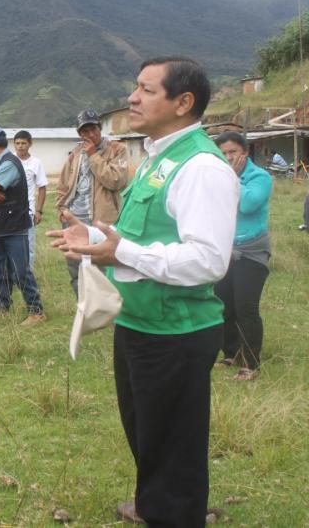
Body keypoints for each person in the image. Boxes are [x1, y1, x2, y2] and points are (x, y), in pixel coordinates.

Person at [48, 57, 239, 526]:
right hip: (137, 321)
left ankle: (176, 513)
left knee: (173, 438)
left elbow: (208, 260)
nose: (132, 98)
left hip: (175, 330)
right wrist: (93, 242)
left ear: (183, 102)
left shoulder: (200, 167)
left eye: (146, 90)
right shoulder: (157, 158)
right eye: (135, 87)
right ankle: (157, 504)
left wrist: (120, 255)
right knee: (148, 433)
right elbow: (137, 238)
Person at [214, 132, 272, 381]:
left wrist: (234, 178)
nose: (228, 157)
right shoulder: (219, 177)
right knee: (224, 304)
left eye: (233, 152)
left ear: (245, 153)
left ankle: (250, 364)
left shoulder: (260, 177)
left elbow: (248, 204)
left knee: (246, 307)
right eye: (224, 153)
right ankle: (232, 353)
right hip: (225, 249)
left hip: (252, 251)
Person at [0, 126, 45, 326]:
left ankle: (36, 310)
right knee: (0, 269)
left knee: (20, 270)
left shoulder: (8, 164)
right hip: (0, 226)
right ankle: (2, 307)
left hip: (15, 226)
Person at [55, 109, 129, 294]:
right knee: (76, 268)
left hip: (101, 221)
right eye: (85, 131)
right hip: (73, 218)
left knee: (104, 268)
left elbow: (116, 181)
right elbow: (63, 185)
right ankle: (85, 310)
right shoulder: (74, 154)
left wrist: (93, 156)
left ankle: (109, 312)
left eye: (94, 129)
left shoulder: (116, 149)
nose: (91, 134)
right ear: (79, 133)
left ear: (100, 127)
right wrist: (62, 209)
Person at [12, 130, 48, 265]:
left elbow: (42, 187)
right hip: (10, 211)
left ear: (30, 144)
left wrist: (38, 211)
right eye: (17, 143)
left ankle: (27, 277)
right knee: (12, 244)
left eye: (23, 143)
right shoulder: (10, 160)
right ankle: (12, 274)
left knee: (29, 245)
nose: (20, 146)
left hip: (28, 211)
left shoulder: (36, 163)